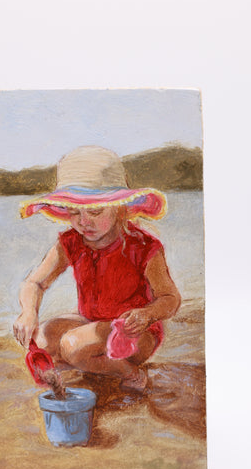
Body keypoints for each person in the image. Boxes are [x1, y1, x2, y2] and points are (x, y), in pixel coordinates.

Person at [13, 145, 181, 392]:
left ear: (119, 207)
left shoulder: (144, 247)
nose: (83, 221)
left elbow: (171, 298)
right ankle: (90, 362)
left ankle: (129, 372)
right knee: (41, 338)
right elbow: (35, 283)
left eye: (94, 211)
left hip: (133, 331)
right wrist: (28, 312)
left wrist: (147, 315)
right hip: (92, 322)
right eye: (74, 212)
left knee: (72, 345)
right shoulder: (70, 242)